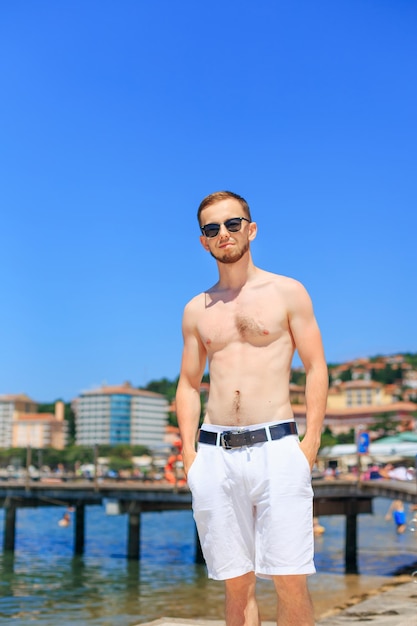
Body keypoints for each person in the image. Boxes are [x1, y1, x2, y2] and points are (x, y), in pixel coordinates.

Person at [176, 191, 328, 626]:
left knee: (290, 579)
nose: (224, 234)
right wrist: (190, 455)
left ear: (251, 229)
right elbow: (188, 385)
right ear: (203, 241)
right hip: (215, 453)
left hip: (277, 446)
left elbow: (316, 367)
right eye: (212, 229)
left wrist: (310, 442)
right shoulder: (195, 310)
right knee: (236, 583)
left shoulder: (287, 292)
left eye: (232, 224)